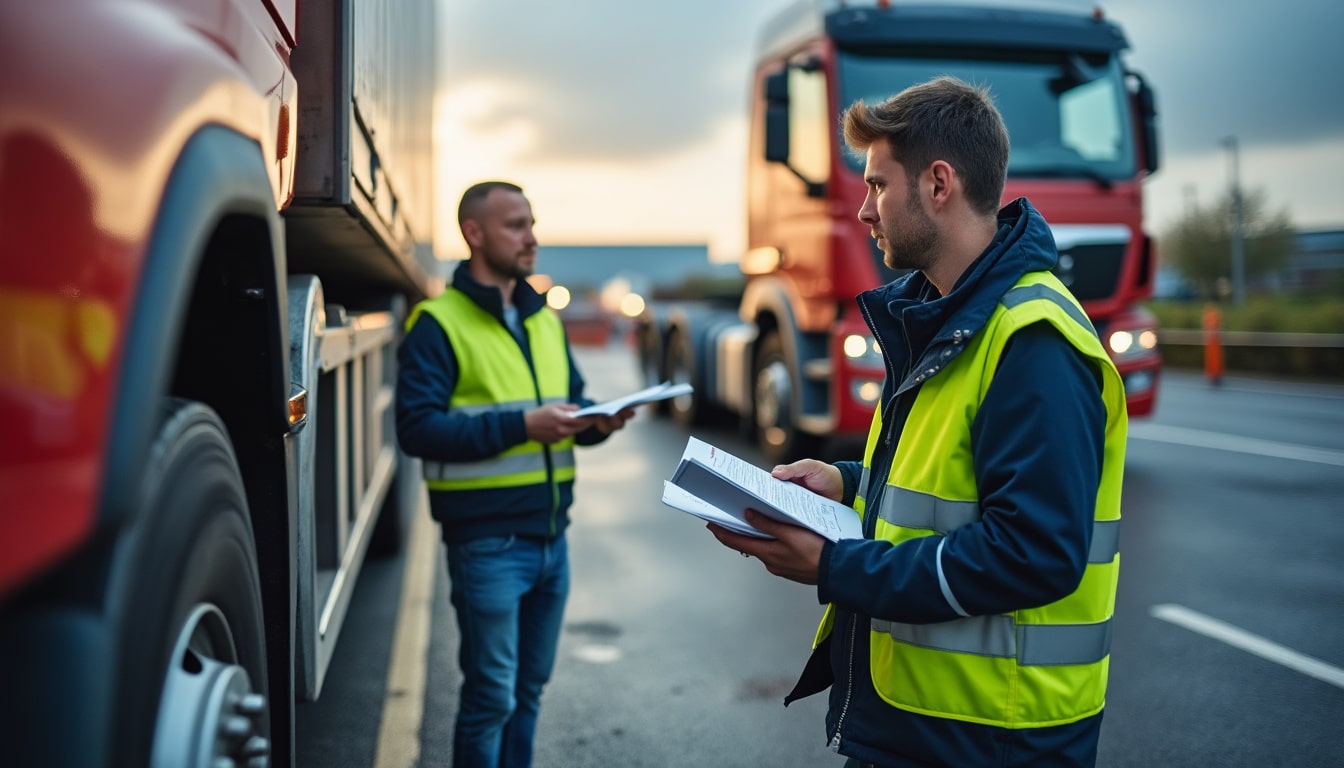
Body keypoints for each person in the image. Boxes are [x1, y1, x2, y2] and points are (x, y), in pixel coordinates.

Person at [708, 76, 1128, 767]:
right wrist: (846, 482)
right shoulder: (947, 318)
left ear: (939, 184)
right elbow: (947, 483)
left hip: (993, 737)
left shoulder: (1033, 343)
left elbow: (1033, 553)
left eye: (876, 186)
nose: (864, 211)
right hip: (933, 725)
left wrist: (836, 567)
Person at [396, 180, 633, 767]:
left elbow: (570, 403)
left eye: (531, 223)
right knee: (490, 698)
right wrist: (522, 426)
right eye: (516, 225)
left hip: (552, 539)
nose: (532, 238)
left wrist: (601, 421)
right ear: (474, 234)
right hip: (487, 545)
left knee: (527, 693)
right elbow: (417, 429)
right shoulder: (437, 323)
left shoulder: (542, 319)